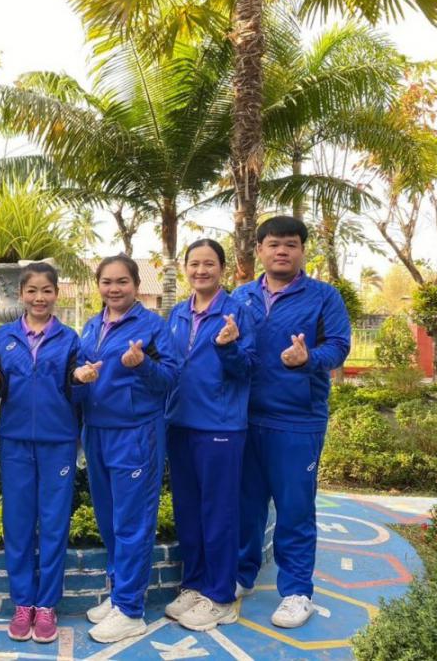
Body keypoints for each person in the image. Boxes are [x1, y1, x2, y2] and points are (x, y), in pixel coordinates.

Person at [231, 216, 350, 628]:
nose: (282, 251)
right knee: (246, 505)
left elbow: (339, 346)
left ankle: (297, 592)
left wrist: (308, 359)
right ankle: (241, 575)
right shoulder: (242, 296)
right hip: (246, 418)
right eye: (274, 244)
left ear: (302, 250)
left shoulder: (323, 297)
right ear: (259, 250)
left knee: (294, 509)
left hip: (297, 420)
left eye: (291, 244)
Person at [77, 255, 177, 644]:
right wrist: (79, 375)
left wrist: (141, 365)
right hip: (97, 431)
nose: (114, 288)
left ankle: (130, 609)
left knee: (132, 521)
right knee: (109, 519)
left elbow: (170, 378)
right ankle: (120, 591)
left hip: (135, 433)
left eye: (122, 281)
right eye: (107, 282)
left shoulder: (152, 326)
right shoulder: (92, 324)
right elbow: (81, 368)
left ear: (136, 284)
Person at [163, 239, 255, 632]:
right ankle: (195, 584)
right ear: (185, 268)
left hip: (219, 425)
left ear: (222, 268)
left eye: (209, 264)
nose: (201, 270)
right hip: (180, 422)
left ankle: (219, 595)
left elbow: (248, 367)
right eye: (194, 263)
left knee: (218, 512)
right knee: (188, 510)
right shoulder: (177, 313)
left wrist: (228, 347)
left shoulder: (236, 312)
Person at [0, 262, 84, 644]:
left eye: (46, 290)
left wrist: (81, 381)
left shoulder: (70, 339)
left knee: (53, 523)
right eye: (32, 290)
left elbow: (77, 391)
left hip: (58, 441)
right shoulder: (2, 337)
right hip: (14, 440)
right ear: (21, 294)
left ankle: (46, 605)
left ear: (56, 294)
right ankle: (22, 603)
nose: (39, 297)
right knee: (17, 523)